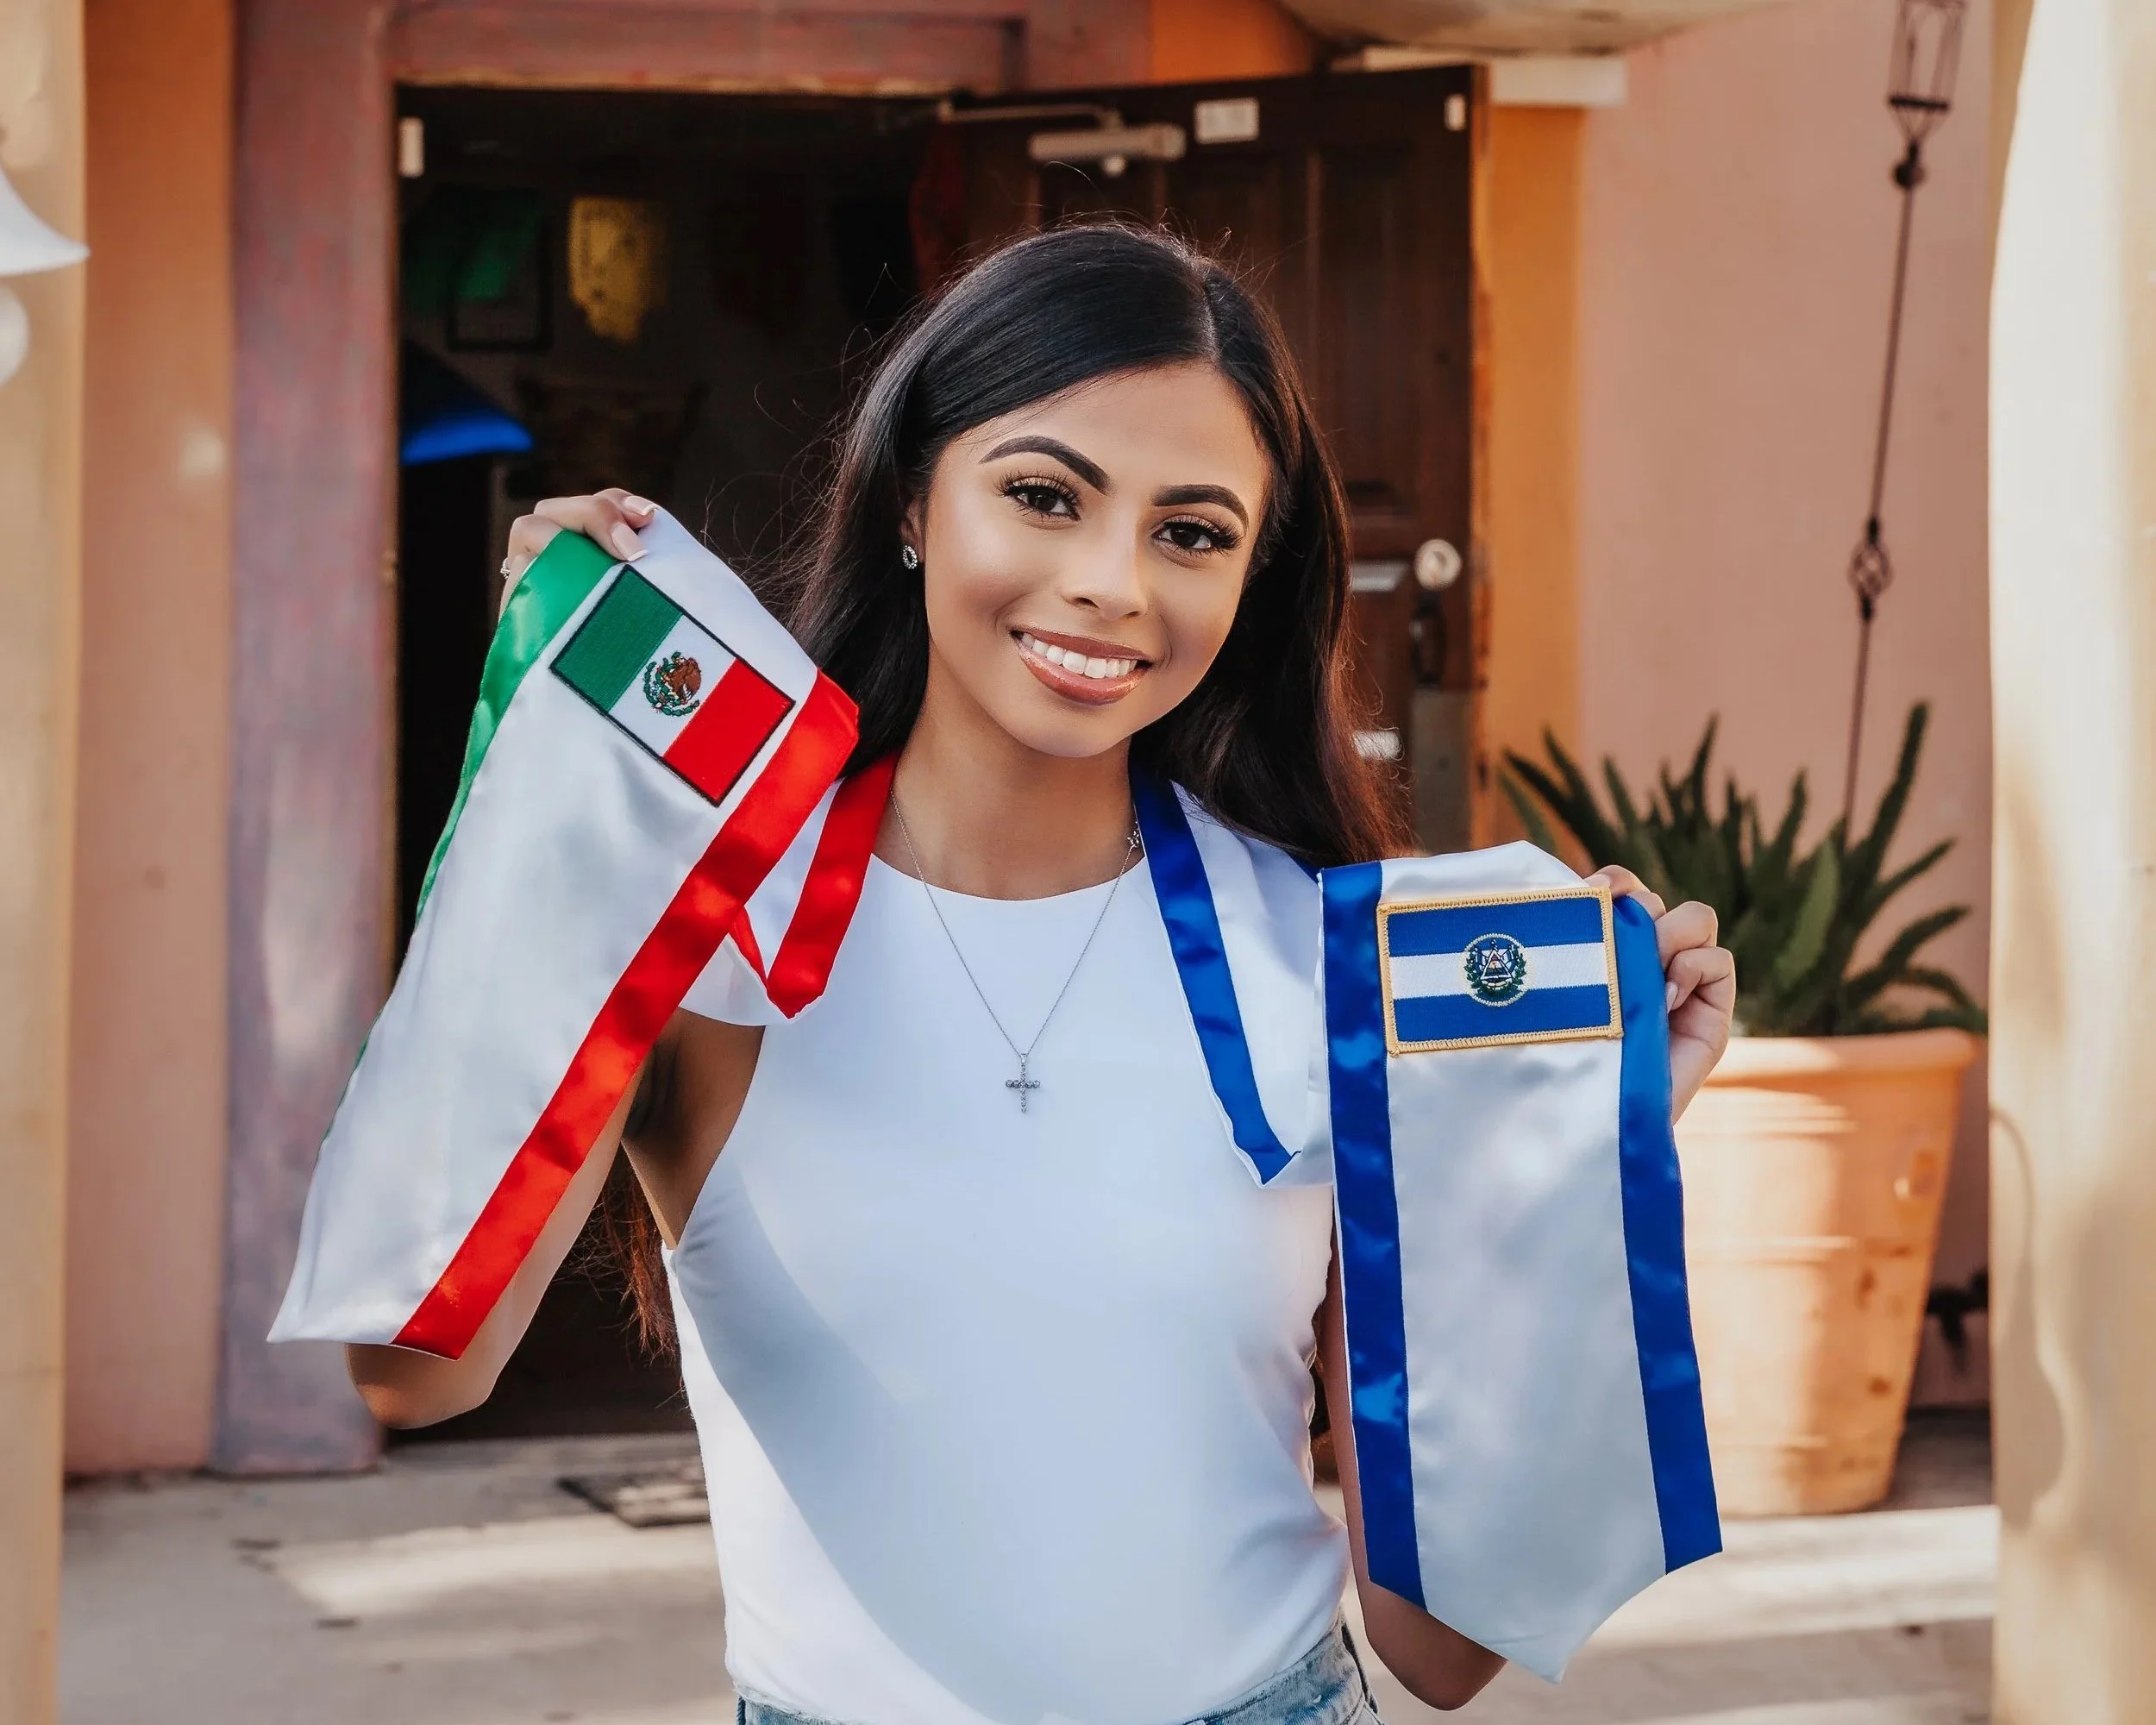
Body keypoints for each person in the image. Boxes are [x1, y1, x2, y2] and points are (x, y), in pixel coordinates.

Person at [348, 224, 1735, 1725]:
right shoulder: (712, 941)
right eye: (1042, 495)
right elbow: (411, 1373)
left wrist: (1566, 1155)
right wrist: (557, 787)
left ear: (1252, 579)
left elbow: (1441, 1650)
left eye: (1190, 532)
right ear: (910, 502)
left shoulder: (1335, 967)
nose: (1109, 584)